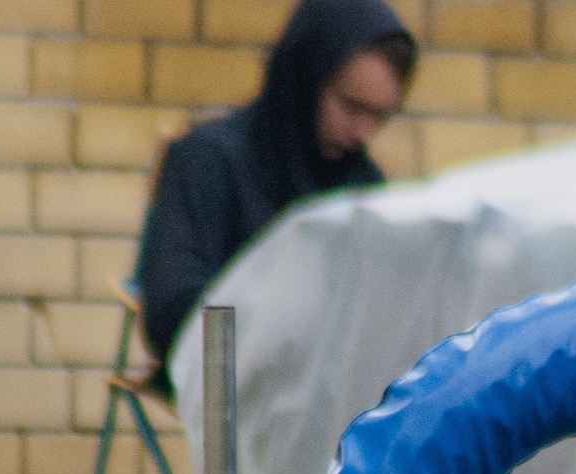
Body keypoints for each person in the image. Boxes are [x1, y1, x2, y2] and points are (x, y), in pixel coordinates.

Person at [132, 0, 417, 379]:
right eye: (351, 107)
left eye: (379, 116)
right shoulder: (210, 159)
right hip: (223, 383)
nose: (363, 132)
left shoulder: (363, 185)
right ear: (305, 80)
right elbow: (171, 314)